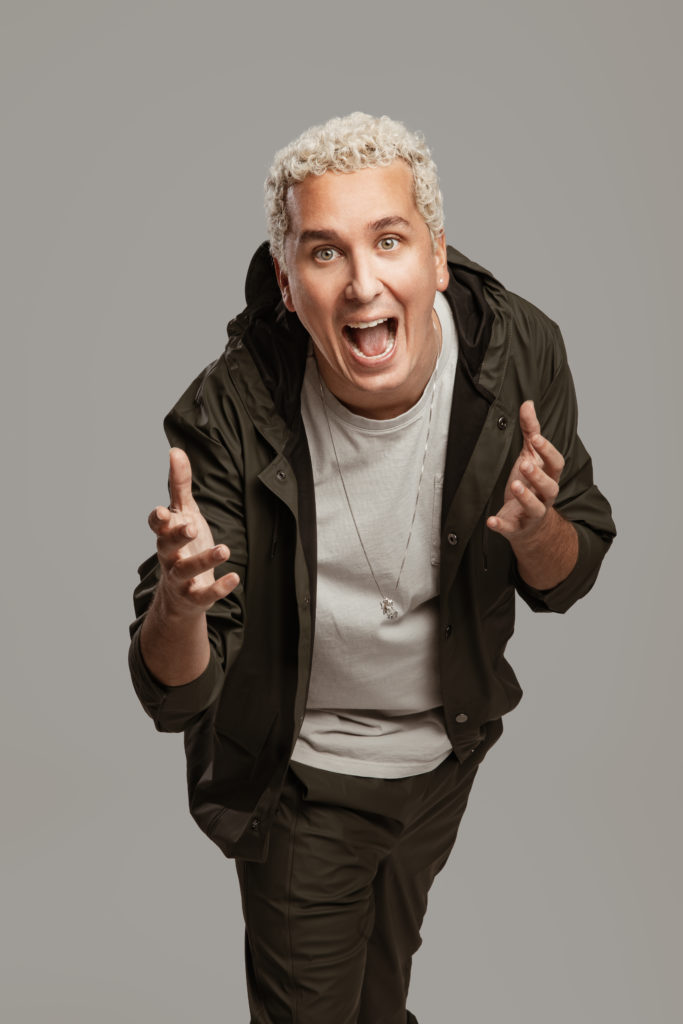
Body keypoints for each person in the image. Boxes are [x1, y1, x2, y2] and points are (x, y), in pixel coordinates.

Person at [129, 112, 615, 1023]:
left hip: (442, 761)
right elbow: (174, 694)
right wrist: (181, 606)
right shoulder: (231, 409)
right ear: (286, 285)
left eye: (388, 240)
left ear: (437, 256)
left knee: (378, 1000)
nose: (361, 284)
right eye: (324, 252)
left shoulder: (518, 354)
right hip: (302, 778)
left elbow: (567, 572)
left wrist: (536, 530)